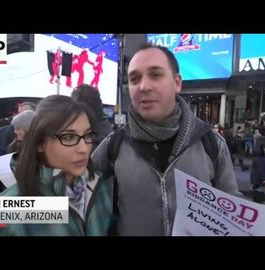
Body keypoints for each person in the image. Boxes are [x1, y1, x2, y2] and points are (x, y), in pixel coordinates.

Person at [91, 43, 239, 236]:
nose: (144, 86)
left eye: (155, 75)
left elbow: (233, 213)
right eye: (134, 79)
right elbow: (69, 201)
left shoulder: (211, 143)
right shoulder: (113, 145)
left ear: (177, 83)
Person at [0, 95, 114, 236]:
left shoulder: (99, 186)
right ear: (40, 143)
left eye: (88, 136)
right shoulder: (3, 210)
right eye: (68, 137)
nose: (84, 148)